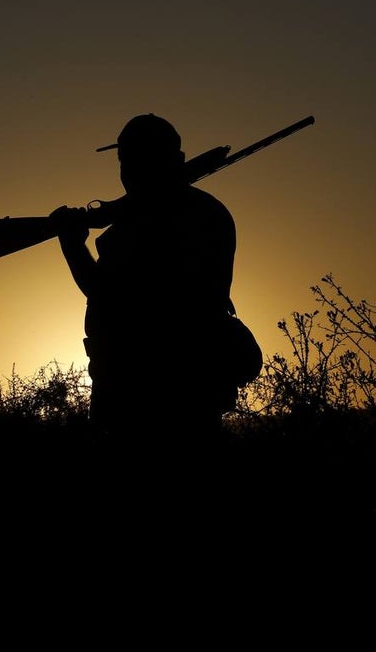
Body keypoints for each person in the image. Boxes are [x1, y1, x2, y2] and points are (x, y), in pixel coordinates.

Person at [49, 113, 239, 482]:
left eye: (134, 160)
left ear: (170, 160)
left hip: (137, 389)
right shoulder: (207, 211)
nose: (127, 171)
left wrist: (71, 244)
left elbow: (103, 291)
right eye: (125, 161)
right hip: (190, 387)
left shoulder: (148, 220)